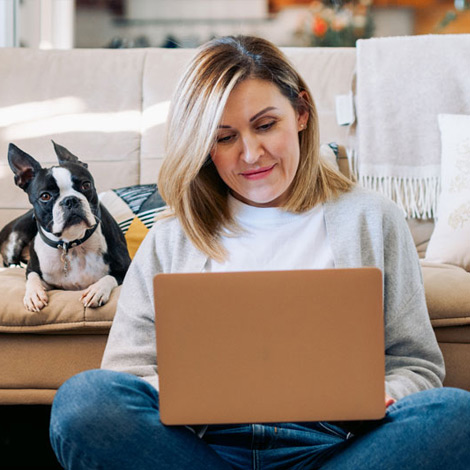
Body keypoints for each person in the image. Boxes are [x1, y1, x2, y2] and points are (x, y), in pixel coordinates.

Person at [49, 35, 470, 470]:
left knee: (458, 417)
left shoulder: (374, 219)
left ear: (301, 113)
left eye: (266, 125)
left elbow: (415, 364)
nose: (251, 154)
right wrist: (180, 391)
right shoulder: (171, 238)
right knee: (82, 403)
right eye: (225, 137)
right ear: (204, 147)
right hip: (202, 448)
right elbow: (125, 375)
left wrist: (388, 394)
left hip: (338, 447)